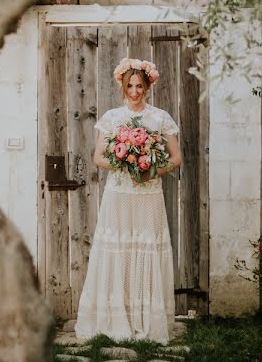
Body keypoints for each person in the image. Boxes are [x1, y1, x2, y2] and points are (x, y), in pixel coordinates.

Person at [74, 57, 183, 344]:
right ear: (123, 86)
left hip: (148, 195)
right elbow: (98, 157)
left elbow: (176, 158)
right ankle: (115, 319)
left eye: (140, 86)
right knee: (119, 249)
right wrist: (125, 162)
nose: (134, 91)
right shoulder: (111, 118)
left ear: (147, 87)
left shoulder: (160, 118)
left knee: (145, 247)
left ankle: (146, 321)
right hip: (119, 195)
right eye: (130, 86)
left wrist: (151, 170)